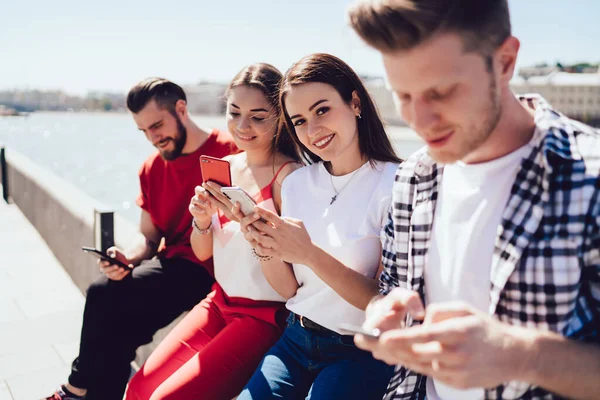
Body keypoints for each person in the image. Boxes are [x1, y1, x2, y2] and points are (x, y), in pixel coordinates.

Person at [347, 1, 600, 399]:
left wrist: (523, 357)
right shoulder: (411, 177)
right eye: (403, 95)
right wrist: (388, 309)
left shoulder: (591, 177)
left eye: (441, 92)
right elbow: (393, 288)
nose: (419, 120)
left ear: (505, 61)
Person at [45, 78, 237, 400]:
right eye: (144, 131)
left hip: (212, 270)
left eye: (157, 125)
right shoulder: (151, 168)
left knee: (101, 294)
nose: (153, 138)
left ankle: (75, 388)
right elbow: (149, 237)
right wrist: (126, 257)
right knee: (115, 338)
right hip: (173, 266)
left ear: (181, 109)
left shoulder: (229, 150)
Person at [124, 63, 301, 400]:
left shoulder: (290, 178)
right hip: (218, 303)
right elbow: (203, 252)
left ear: (280, 116)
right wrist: (202, 220)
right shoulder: (225, 167)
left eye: (257, 116)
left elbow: (291, 285)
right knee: (138, 388)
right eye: (234, 113)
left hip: (262, 317)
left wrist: (260, 236)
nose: (242, 126)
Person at [236, 53, 401, 400]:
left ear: (355, 102)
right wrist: (263, 245)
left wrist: (308, 253)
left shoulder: (396, 184)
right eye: (298, 120)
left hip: (360, 352)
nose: (312, 131)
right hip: (295, 340)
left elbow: (382, 302)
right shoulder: (297, 183)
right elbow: (289, 289)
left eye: (322, 110)